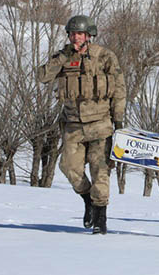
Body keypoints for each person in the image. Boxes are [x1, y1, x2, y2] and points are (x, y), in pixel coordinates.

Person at [37, 15, 126, 234]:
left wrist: (119, 121)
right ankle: (88, 200)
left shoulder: (104, 57)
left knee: (100, 171)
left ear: (88, 35)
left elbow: (119, 89)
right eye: (72, 33)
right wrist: (63, 56)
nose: (75, 38)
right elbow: (42, 76)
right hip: (73, 125)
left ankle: (100, 218)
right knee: (69, 167)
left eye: (80, 34)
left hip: (100, 124)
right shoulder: (64, 57)